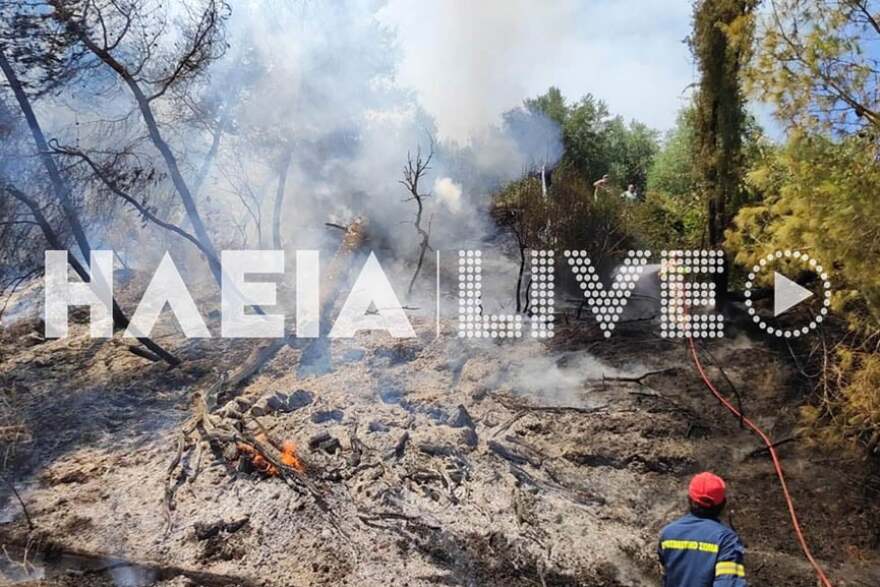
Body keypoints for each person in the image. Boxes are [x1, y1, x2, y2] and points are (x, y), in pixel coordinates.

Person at [658, 472, 747, 586]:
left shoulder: (668, 534)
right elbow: (728, 583)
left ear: (689, 499)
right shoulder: (726, 540)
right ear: (722, 504)